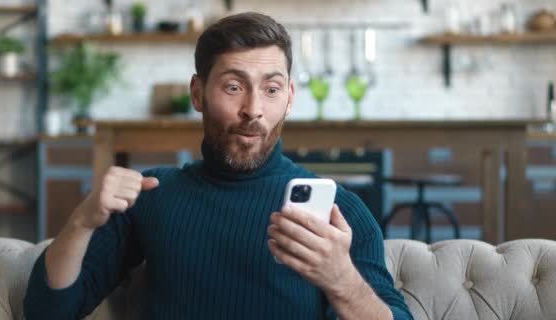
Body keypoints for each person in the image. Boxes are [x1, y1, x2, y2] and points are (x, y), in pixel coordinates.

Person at [24, 12, 413, 320]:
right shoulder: (153, 195)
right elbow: (47, 312)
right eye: (233, 86)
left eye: (271, 89)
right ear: (198, 93)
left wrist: (341, 279)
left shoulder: (340, 213)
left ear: (290, 98)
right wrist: (81, 222)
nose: (253, 109)